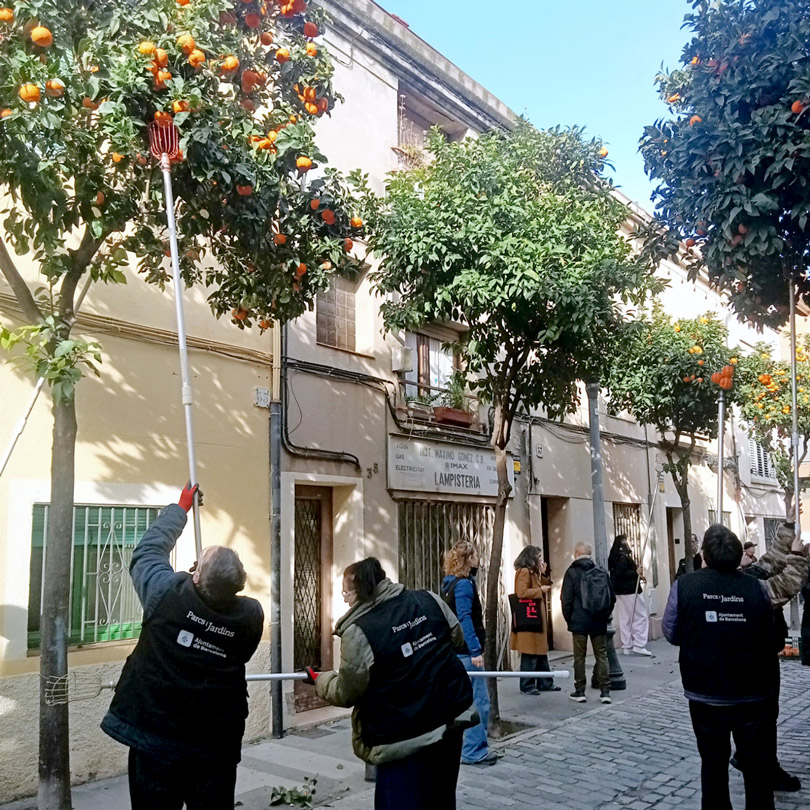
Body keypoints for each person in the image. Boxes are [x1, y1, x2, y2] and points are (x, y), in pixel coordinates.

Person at [101, 483, 264, 810]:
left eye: (196, 564)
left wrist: (180, 509)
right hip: (213, 750)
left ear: (197, 576)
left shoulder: (164, 597)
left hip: (156, 744)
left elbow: (147, 553)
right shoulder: (249, 618)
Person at [662, 523, 809, 810]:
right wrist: (795, 549)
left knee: (713, 763)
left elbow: (671, 632)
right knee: (757, 768)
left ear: (704, 554)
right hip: (753, 694)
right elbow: (789, 581)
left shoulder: (685, 587)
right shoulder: (758, 589)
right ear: (739, 554)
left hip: (705, 692)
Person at [311, 558, 477, 810]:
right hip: (448, 722)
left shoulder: (359, 631)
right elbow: (456, 638)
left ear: (360, 591)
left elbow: (347, 692)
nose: (344, 599)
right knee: (442, 801)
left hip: (401, 738)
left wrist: (320, 680)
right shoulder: (428, 599)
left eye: (345, 592)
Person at [441, 541, 497, 766]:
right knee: (478, 702)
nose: (478, 559)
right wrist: (475, 649)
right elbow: (464, 617)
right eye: (475, 556)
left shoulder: (448, 583)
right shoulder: (463, 585)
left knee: (462, 702)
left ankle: (463, 747)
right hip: (466, 653)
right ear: (468, 559)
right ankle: (474, 751)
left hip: (455, 652)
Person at [561, 542, 615, 705]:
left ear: (576, 553)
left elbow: (566, 599)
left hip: (579, 620)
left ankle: (580, 691)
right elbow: (611, 597)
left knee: (579, 657)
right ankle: (605, 691)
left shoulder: (572, 572)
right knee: (601, 654)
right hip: (598, 620)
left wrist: (569, 618)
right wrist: (604, 615)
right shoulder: (601, 572)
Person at [510, 545, 559, 695]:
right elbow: (522, 592)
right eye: (538, 557)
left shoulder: (533, 572)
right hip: (529, 617)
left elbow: (542, 584)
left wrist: (543, 575)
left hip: (536, 617)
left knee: (540, 652)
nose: (540, 560)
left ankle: (545, 682)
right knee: (530, 653)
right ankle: (528, 685)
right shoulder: (524, 571)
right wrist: (540, 591)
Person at [608, 534, 651, 656]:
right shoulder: (623, 558)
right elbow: (620, 575)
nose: (630, 543)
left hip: (622, 592)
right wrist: (635, 572)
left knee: (625, 618)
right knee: (640, 617)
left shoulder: (615, 557)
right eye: (628, 541)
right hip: (631, 591)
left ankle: (627, 645)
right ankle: (639, 644)